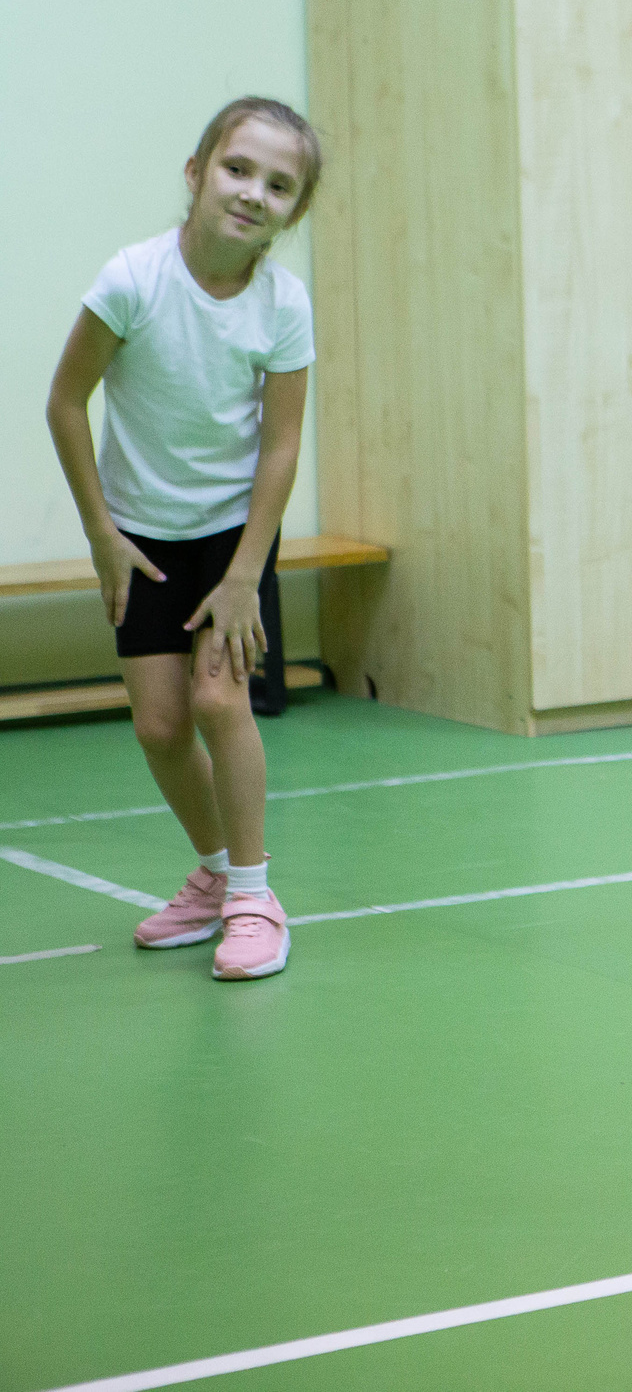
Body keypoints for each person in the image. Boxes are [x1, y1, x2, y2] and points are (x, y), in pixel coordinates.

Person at [42, 98, 321, 982]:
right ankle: (211, 871)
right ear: (197, 173)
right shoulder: (133, 280)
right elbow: (64, 402)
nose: (253, 193)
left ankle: (253, 896)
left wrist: (245, 576)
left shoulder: (283, 303)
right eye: (238, 168)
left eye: (280, 186)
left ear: (293, 212)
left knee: (217, 701)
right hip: (140, 531)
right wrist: (100, 536)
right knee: (160, 725)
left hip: (232, 532)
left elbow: (279, 446)